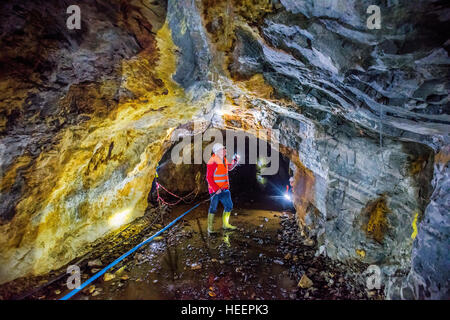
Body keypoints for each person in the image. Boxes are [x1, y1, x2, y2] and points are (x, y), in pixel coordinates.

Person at [205, 143, 240, 234]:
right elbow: (208, 178)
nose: (225, 150)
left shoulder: (223, 159)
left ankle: (226, 225)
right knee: (213, 208)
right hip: (215, 191)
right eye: (223, 149)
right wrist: (216, 189)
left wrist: (235, 161)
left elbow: (229, 167)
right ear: (218, 151)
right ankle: (210, 228)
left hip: (224, 189)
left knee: (229, 206)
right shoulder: (212, 161)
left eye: (224, 149)